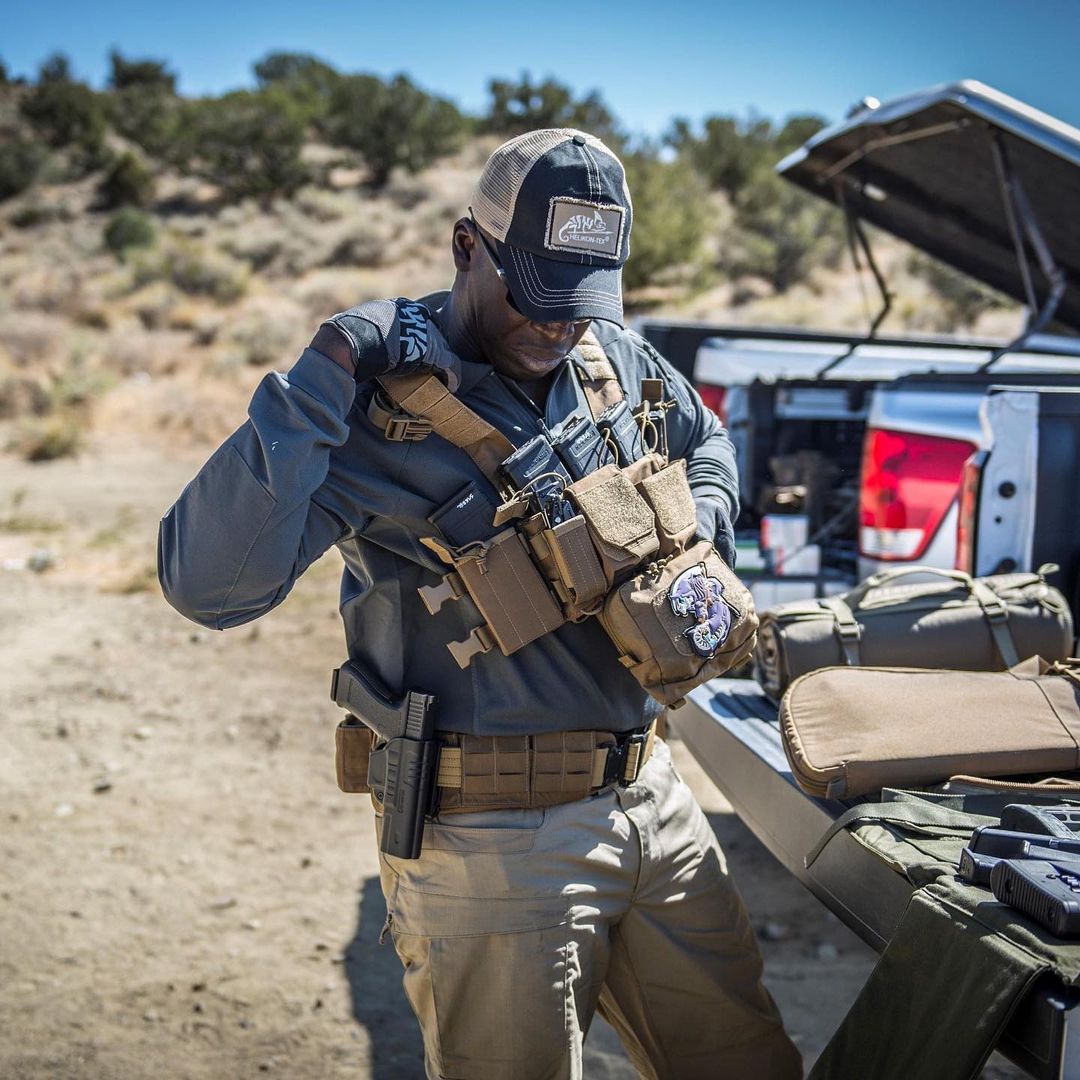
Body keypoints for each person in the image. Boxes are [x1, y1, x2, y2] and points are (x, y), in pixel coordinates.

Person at [159, 128, 802, 1080]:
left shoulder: (611, 360)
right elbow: (206, 585)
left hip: (653, 801)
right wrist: (328, 365)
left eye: (584, 301)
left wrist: (692, 527)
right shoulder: (373, 407)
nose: (560, 328)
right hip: (495, 849)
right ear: (469, 246)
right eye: (537, 297)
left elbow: (706, 442)